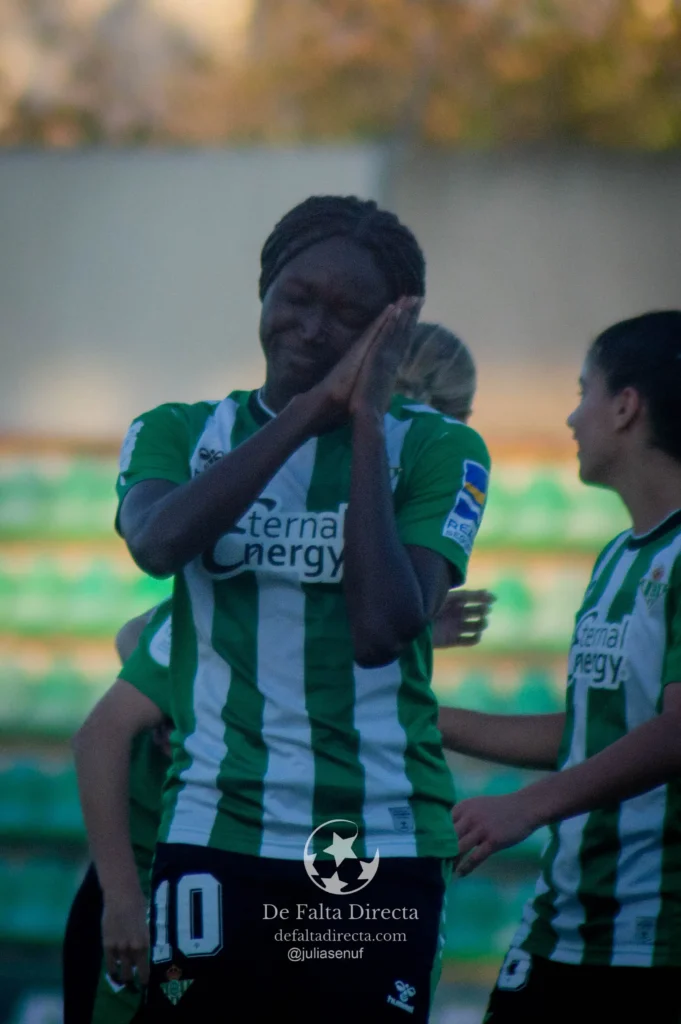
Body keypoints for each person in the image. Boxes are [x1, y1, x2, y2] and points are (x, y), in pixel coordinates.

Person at [75, 194, 493, 1022]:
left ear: (389, 330)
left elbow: (381, 632)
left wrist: (366, 422)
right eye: (296, 296)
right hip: (213, 832)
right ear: (264, 290)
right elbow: (157, 545)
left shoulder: (440, 448)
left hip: (376, 838)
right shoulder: (175, 430)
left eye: (347, 314)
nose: (310, 326)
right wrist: (305, 414)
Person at [439, 311, 681, 1023]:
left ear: (625, 406)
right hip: (566, 923)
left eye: (583, 391)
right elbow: (591, 736)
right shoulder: (617, 557)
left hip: (656, 939)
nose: (571, 417)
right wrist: (416, 718)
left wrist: (524, 806)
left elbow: (674, 733)